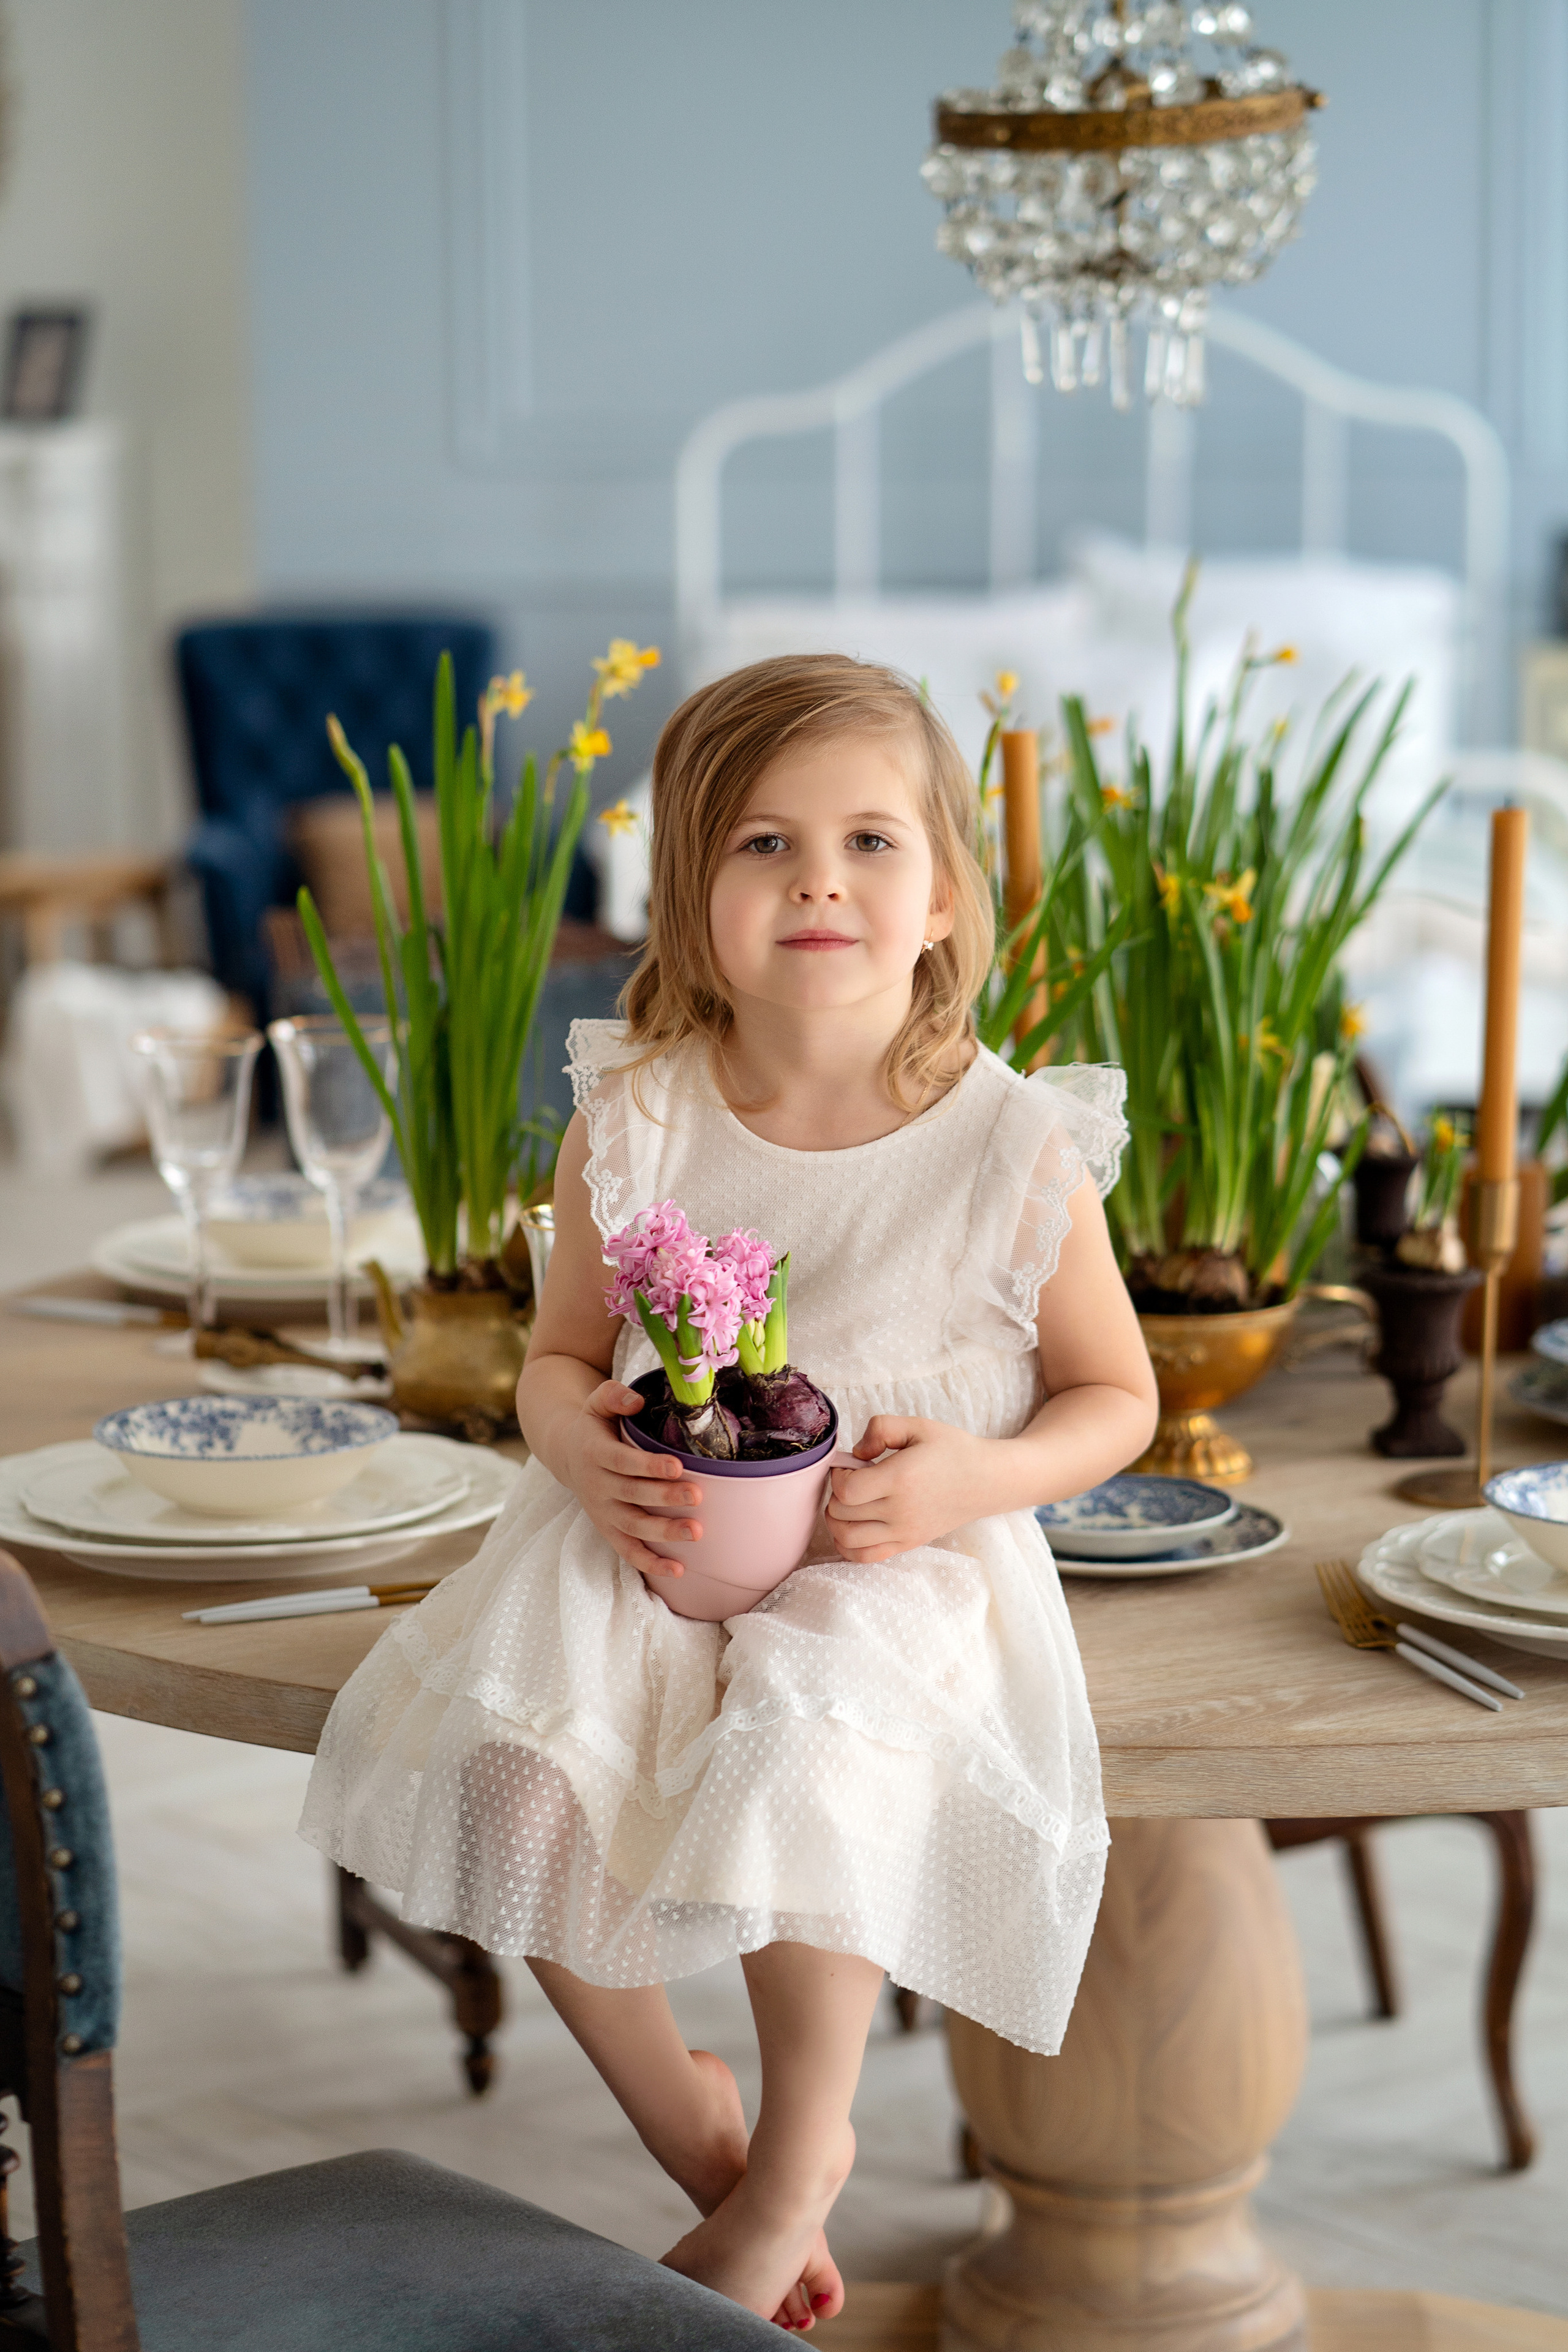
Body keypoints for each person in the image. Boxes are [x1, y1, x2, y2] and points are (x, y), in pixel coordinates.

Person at [300, 653, 1158, 2331]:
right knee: (507, 1762)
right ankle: (683, 2108)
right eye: (762, 845)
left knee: (808, 1742)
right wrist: (578, 1450)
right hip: (658, 1522)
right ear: (687, 902)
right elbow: (556, 1361)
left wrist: (981, 1473)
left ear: (943, 902)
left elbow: (1114, 1398)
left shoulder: (1009, 1142)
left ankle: (797, 2158)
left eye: (869, 843)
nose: (821, 880)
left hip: (884, 1542)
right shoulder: (637, 1114)